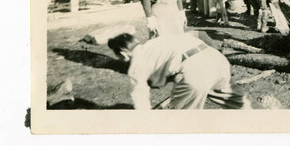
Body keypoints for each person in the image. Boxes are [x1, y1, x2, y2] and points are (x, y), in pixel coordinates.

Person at [107, 31, 252, 110]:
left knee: (179, 123)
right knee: (241, 105)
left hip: (196, 71)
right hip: (216, 59)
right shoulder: (156, 41)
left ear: (123, 53)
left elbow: (140, 99)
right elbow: (200, 34)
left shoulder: (136, 65)